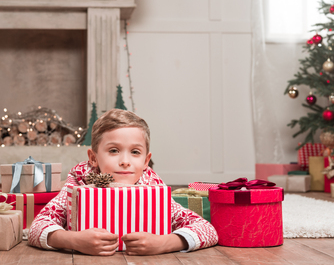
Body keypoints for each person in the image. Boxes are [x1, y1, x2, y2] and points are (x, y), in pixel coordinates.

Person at [28, 109, 218, 255]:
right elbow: (37, 227)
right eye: (113, 150)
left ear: (145, 161)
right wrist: (73, 240)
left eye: (135, 152)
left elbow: (207, 230)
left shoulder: (152, 188)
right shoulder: (78, 183)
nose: (125, 161)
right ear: (93, 158)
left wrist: (165, 243)